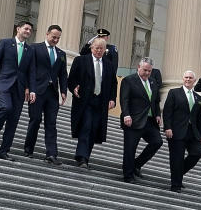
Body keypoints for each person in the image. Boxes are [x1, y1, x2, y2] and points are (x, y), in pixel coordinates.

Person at [0, 21, 34, 160]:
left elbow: (31, 72)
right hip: (3, 84)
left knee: (14, 120)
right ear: (18, 29)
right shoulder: (5, 43)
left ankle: (4, 151)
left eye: (30, 30)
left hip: (20, 88)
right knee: (6, 108)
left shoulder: (30, 50)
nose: (28, 31)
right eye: (26, 28)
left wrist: (31, 89)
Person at [67, 36, 117, 170]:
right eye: (97, 48)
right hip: (85, 100)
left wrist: (112, 99)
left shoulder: (109, 65)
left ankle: (84, 156)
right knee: (86, 126)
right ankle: (82, 156)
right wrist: (74, 87)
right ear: (91, 48)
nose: (99, 51)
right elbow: (71, 79)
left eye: (102, 49)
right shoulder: (81, 60)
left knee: (94, 129)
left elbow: (113, 84)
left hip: (100, 102)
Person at [23, 24, 67, 165]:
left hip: (52, 93)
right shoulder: (35, 48)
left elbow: (63, 75)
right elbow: (29, 70)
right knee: (35, 120)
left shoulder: (61, 54)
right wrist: (28, 88)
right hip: (37, 91)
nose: (55, 40)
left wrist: (64, 91)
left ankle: (51, 154)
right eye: (54, 37)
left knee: (51, 123)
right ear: (47, 34)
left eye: (58, 38)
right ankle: (28, 149)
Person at [119, 57, 163, 183]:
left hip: (149, 121)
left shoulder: (153, 82)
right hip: (133, 119)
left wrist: (158, 115)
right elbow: (124, 99)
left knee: (157, 142)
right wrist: (126, 115)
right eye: (145, 70)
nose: (147, 73)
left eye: (149, 71)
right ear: (138, 67)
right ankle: (128, 175)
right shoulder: (129, 80)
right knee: (130, 148)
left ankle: (136, 164)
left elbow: (155, 101)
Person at [162, 70, 201, 193]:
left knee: (196, 154)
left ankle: (178, 175)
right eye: (186, 77)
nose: (188, 79)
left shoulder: (198, 97)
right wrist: (167, 127)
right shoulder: (174, 93)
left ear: (194, 80)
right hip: (176, 131)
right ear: (183, 79)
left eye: (190, 78)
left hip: (193, 132)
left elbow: (199, 118)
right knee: (177, 158)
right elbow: (167, 111)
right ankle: (175, 185)